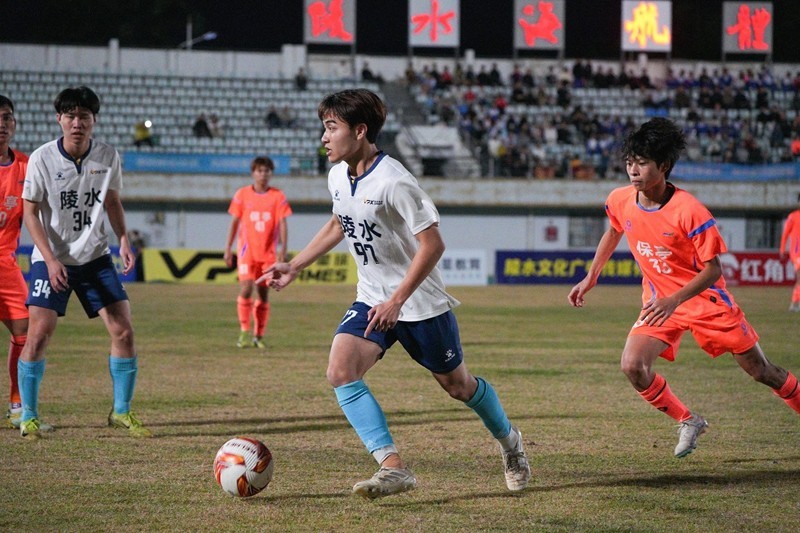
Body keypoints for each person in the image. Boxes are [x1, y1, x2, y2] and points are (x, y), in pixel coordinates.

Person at [259, 89, 531, 498]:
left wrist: (398, 300)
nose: (324, 137)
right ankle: (392, 466)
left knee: (458, 386)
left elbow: (433, 245)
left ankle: (511, 443)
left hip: (419, 304)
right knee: (341, 371)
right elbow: (339, 223)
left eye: (331, 127)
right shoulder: (337, 176)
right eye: (324, 128)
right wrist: (295, 265)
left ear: (360, 130)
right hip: (372, 297)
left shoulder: (395, 180)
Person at [568, 117, 800, 458]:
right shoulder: (620, 199)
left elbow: (713, 270)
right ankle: (689, 420)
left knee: (761, 371)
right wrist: (592, 276)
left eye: (642, 163)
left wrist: (675, 299)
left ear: (663, 166)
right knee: (633, 366)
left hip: (704, 301)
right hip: (660, 302)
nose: (633, 170)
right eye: (630, 162)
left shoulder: (690, 211)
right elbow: (614, 230)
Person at [19, 86, 151, 439]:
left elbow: (112, 202)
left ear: (94, 120)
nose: (77, 123)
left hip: (95, 257)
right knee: (38, 335)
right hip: (51, 259)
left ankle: (121, 411)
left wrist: (124, 239)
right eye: (71, 116)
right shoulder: (42, 158)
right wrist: (50, 260)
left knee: (123, 331)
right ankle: (28, 416)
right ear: (59, 119)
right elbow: (30, 213)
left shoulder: (107, 156)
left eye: (84, 116)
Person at [0, 95, 47, 431]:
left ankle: (17, 405)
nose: (1, 124)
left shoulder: (26, 166)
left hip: (6, 264)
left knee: (24, 333)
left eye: (6, 117)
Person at [224, 156, 292, 349]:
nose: (263, 174)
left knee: (263, 294)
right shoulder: (242, 194)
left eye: (267, 171)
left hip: (268, 254)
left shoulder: (277, 196)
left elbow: (283, 223)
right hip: (246, 252)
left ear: (271, 173)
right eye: (260, 171)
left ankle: (258, 336)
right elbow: (234, 223)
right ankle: (244, 332)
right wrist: (228, 248)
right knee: (246, 289)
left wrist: (283, 250)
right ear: (253, 173)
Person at [779, 193, 800, 311]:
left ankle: (796, 303)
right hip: (797, 252)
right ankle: (794, 303)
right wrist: (782, 249)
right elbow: (785, 234)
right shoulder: (793, 217)